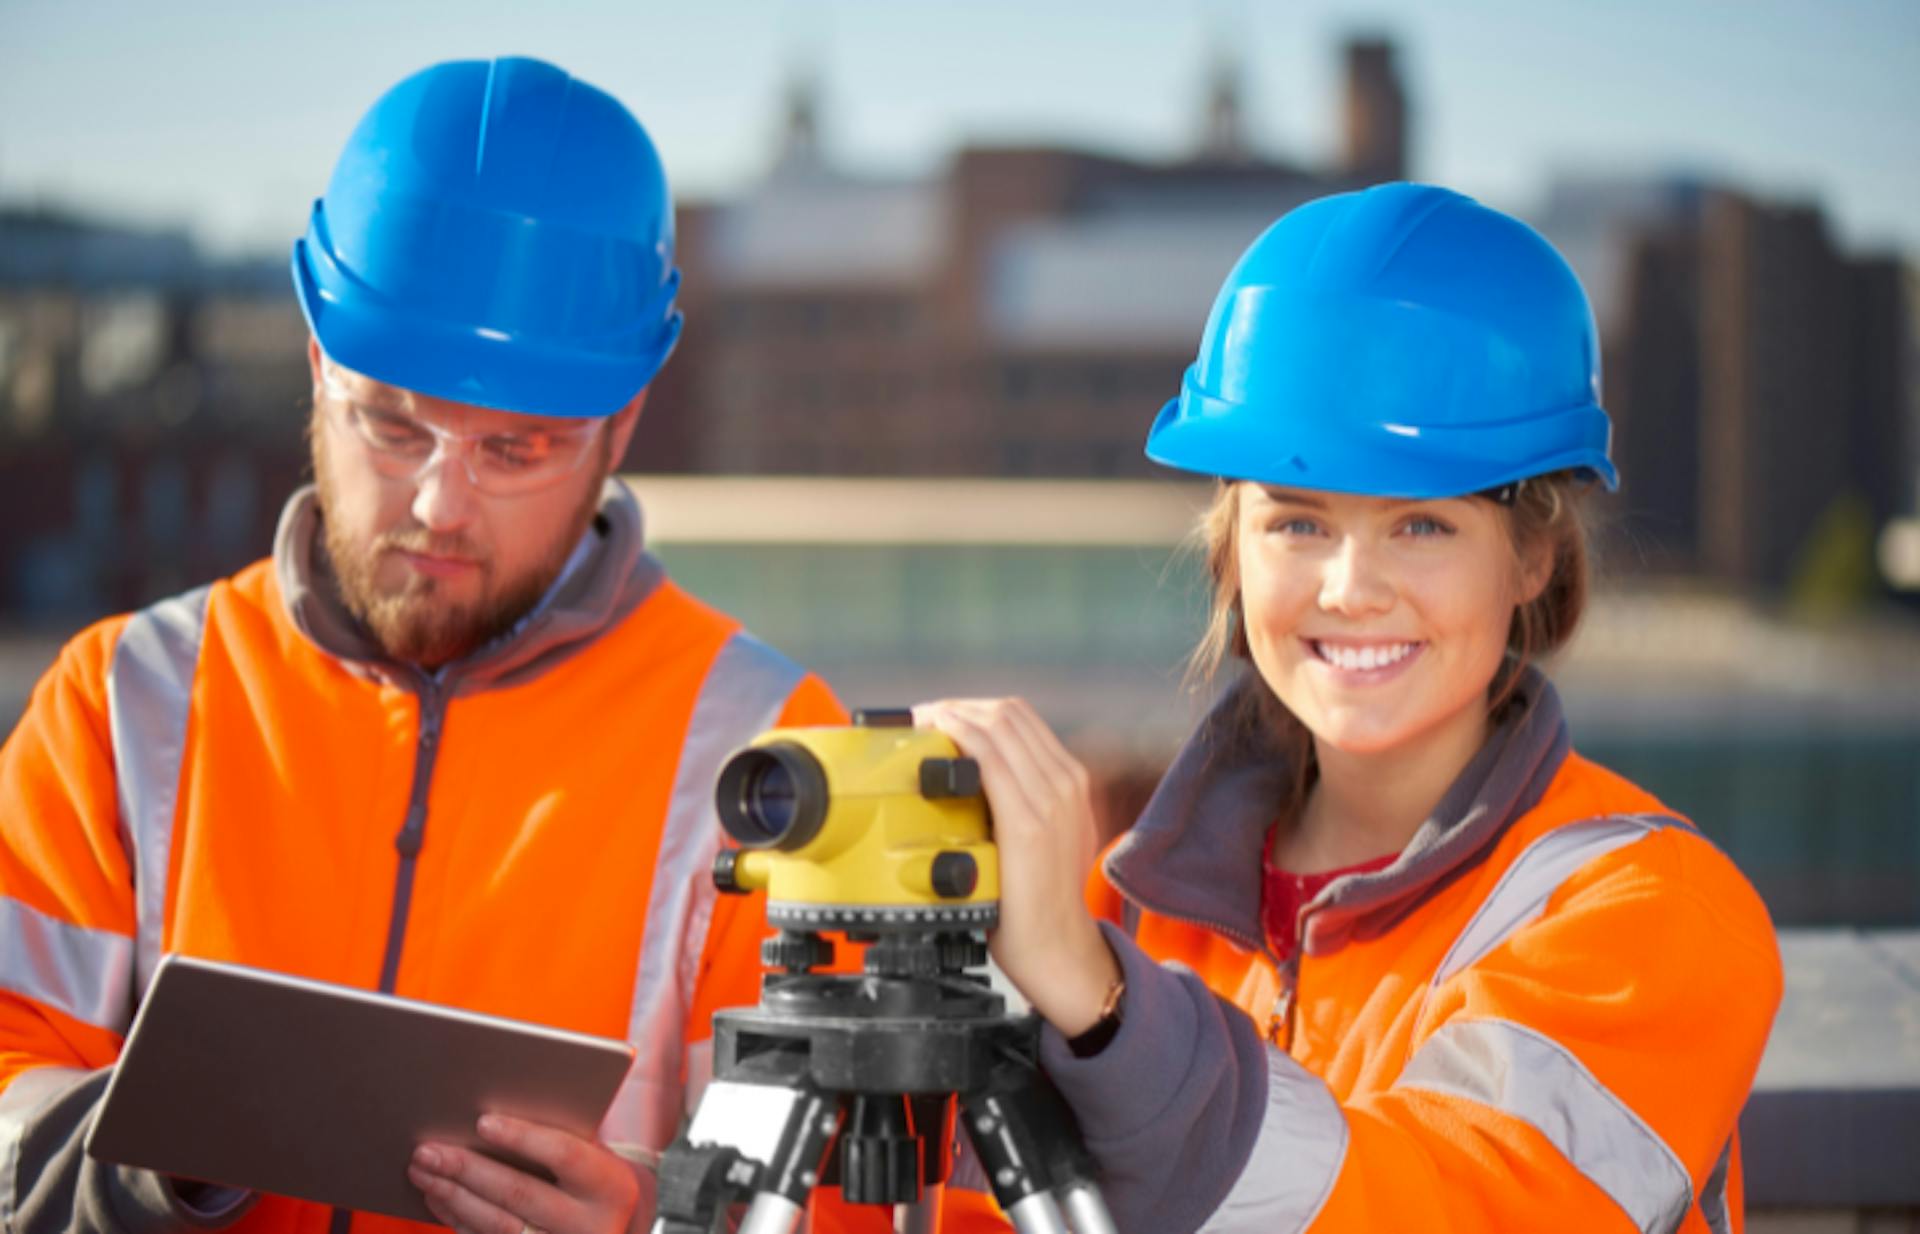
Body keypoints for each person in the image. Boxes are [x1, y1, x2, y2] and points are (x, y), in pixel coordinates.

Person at [0, 57, 845, 1234]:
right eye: (391, 423)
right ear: (314, 364)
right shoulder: (121, 705)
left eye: (517, 449)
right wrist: (150, 1159)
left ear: (622, 427)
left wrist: (658, 1221)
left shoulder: (772, 756)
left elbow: (856, 1192)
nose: (441, 504)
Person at [917, 183, 1783, 1233]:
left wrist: (1105, 1013)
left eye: (1421, 524)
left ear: (1534, 555)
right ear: (1230, 547)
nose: (1349, 587)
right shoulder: (1129, 908)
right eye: (1298, 524)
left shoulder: (1649, 912)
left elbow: (1438, 1207)